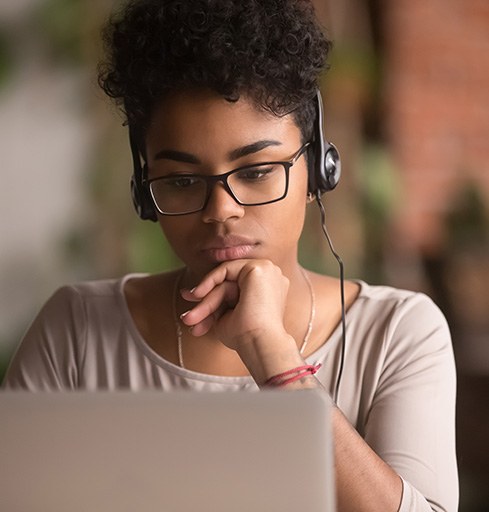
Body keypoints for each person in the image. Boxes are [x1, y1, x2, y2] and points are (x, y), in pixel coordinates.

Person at [3, 0, 458, 510]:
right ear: (143, 190)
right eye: (180, 180)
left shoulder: (398, 332)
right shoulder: (78, 332)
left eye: (257, 171)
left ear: (317, 170)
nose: (221, 211)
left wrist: (271, 352)